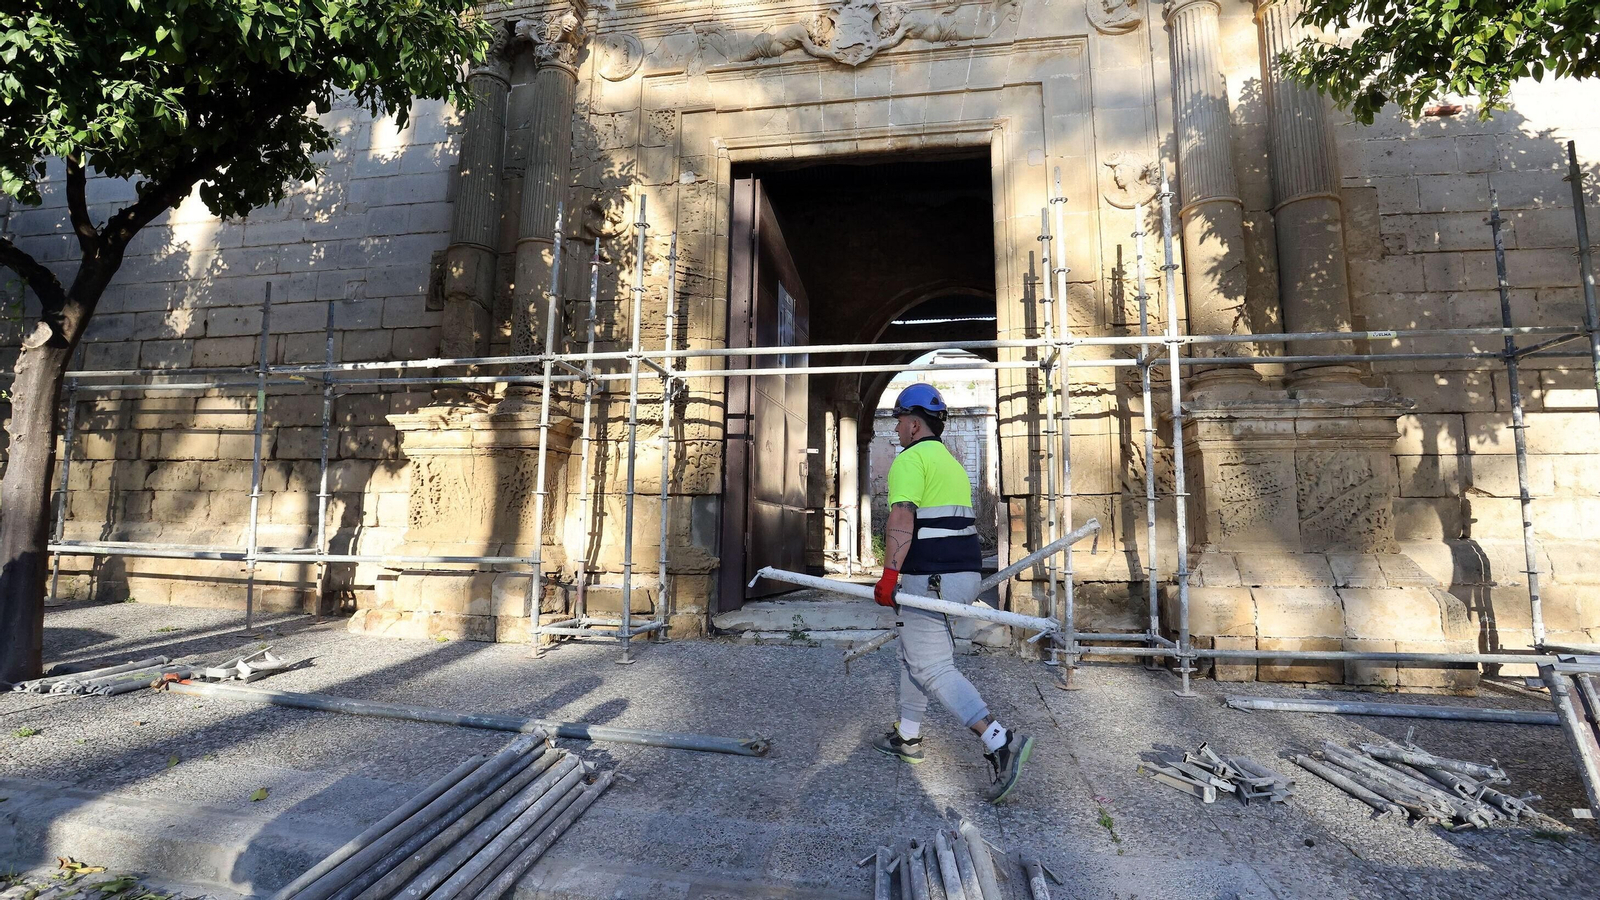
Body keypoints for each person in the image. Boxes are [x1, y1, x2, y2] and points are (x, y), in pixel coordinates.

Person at [870, 382, 1033, 802]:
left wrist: (890, 575)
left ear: (911, 422)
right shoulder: (950, 461)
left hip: (932, 578)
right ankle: (907, 736)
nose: (897, 430)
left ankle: (1000, 741)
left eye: (899, 422)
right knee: (916, 655)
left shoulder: (910, 461)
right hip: (962, 575)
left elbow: (901, 522)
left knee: (933, 667)